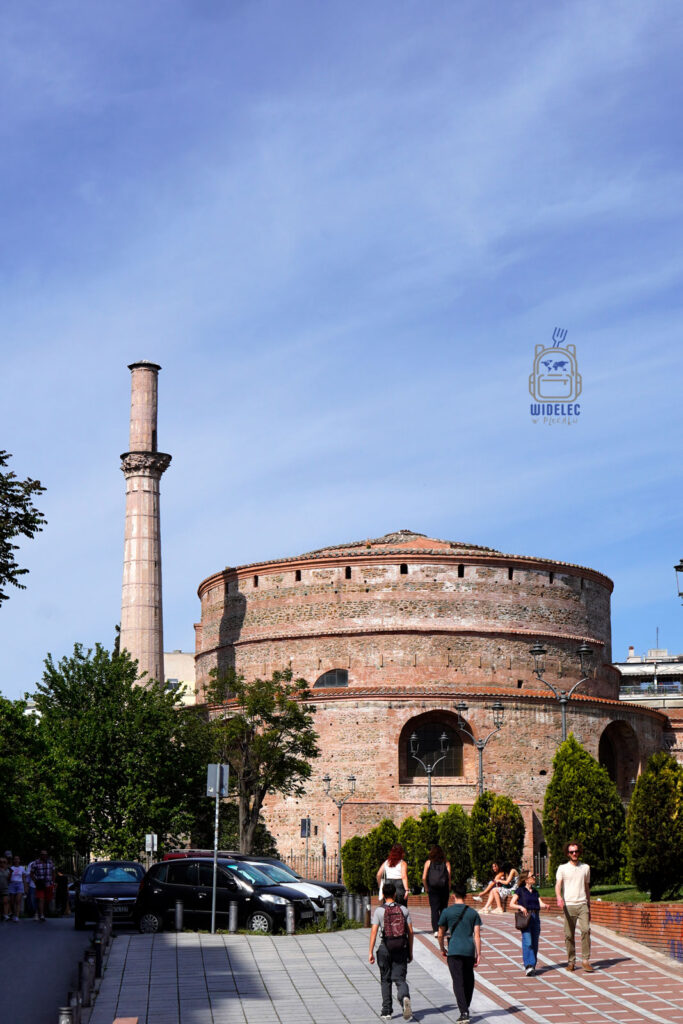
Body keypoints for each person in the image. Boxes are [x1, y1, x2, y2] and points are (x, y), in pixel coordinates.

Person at [368, 880, 415, 1022]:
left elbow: (374, 932)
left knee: (385, 979)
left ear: (383, 894)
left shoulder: (379, 911)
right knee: (400, 979)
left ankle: (387, 1011)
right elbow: (410, 932)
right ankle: (404, 996)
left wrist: (370, 951)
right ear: (395, 894)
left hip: (385, 947)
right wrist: (410, 951)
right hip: (401, 947)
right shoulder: (403, 910)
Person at [438, 882, 481, 1024]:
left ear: (453, 896)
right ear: (466, 896)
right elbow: (477, 936)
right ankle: (465, 1006)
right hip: (469, 950)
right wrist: (479, 953)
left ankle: (464, 1012)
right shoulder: (473, 913)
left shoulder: (446, 912)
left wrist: (442, 948)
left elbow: (440, 933)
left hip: (454, 950)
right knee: (469, 979)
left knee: (458, 981)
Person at [555, 840, 592, 972]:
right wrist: (559, 897)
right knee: (569, 935)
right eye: (572, 852)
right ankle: (571, 961)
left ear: (579, 852)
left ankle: (586, 960)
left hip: (582, 904)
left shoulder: (586, 868)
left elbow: (586, 887)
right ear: (568, 853)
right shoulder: (562, 868)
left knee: (586, 930)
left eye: (576, 851)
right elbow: (558, 884)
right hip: (568, 905)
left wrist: (589, 904)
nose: (574, 853)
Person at [509, 869, 549, 976]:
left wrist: (545, 906)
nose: (534, 878)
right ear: (526, 879)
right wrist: (521, 907)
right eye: (532, 876)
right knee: (528, 941)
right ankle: (529, 965)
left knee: (535, 943)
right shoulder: (520, 891)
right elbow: (511, 904)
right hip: (526, 918)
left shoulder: (535, 892)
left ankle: (532, 965)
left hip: (536, 918)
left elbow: (539, 903)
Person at [422, 845, 451, 936]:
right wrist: (449, 888)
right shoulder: (446, 863)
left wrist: (426, 887)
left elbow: (423, 877)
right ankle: (443, 928)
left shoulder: (428, 862)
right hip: (444, 889)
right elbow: (449, 877)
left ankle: (436, 930)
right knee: (444, 909)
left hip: (432, 889)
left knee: (434, 909)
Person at [31, 850, 55, 922]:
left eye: (45, 855)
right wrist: (35, 881)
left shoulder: (50, 863)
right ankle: (42, 915)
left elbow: (53, 873)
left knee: (47, 899)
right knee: (41, 899)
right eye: (42, 855)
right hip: (40, 883)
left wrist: (53, 882)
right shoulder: (35, 863)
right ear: (40, 855)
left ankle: (39, 912)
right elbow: (31, 873)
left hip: (48, 883)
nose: (44, 856)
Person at [8, 855, 28, 922]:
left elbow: (24, 878)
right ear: (13, 860)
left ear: (19, 860)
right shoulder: (11, 868)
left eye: (18, 859)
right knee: (12, 901)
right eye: (15, 859)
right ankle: (13, 914)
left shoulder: (22, 868)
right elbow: (8, 878)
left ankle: (17, 916)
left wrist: (25, 888)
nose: (16, 860)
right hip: (12, 884)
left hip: (20, 884)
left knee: (18, 900)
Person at [0, 856, 10, 921]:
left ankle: (6, 915)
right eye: (0, 862)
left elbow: (9, 879)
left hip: (5, 888)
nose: (2, 863)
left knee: (5, 902)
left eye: (4, 862)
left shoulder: (8, 870)